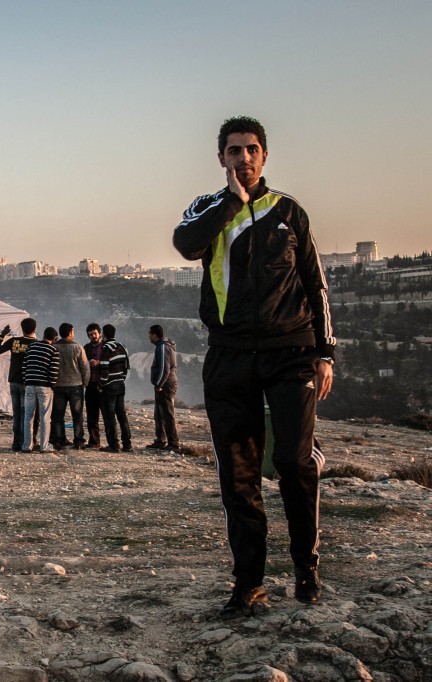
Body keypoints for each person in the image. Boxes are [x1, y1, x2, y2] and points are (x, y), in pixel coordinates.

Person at [173, 115, 335, 618]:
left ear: (264, 155)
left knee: (292, 461)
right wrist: (232, 203)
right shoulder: (207, 207)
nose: (243, 158)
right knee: (238, 476)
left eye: (251, 150)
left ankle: (306, 567)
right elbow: (186, 245)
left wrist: (325, 353)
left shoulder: (289, 212)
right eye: (233, 151)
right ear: (220, 157)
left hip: (292, 353)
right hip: (229, 353)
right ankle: (249, 584)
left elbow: (316, 284)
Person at [0, 318, 39, 451]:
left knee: (17, 413)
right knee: (27, 414)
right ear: (35, 329)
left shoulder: (14, 341)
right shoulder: (36, 344)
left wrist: (2, 335)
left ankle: (16, 443)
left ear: (21, 328)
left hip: (13, 381)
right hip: (27, 382)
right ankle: (27, 442)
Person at [50, 322, 90, 450]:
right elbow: (85, 367)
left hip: (58, 386)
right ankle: (78, 441)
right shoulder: (78, 348)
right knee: (77, 415)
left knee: (58, 415)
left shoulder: (54, 347)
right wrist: (85, 382)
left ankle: (59, 440)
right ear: (71, 332)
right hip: (75, 385)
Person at [21, 327, 59, 453]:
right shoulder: (53, 350)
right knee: (45, 417)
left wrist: (26, 381)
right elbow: (53, 372)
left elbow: (24, 366)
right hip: (44, 387)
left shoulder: (31, 347)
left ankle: (27, 445)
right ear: (54, 338)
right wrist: (52, 385)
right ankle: (44, 445)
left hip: (29, 385)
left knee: (28, 417)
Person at [98, 324, 132, 453]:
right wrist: (121, 379)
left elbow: (104, 370)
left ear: (104, 335)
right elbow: (126, 367)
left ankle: (114, 444)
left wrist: (101, 385)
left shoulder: (106, 348)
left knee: (110, 416)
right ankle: (127, 444)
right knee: (121, 414)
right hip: (120, 385)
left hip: (109, 387)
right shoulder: (122, 346)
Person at [146, 325, 180, 450]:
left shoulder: (163, 348)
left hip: (166, 385)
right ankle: (160, 440)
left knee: (166, 414)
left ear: (155, 335)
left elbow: (164, 369)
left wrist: (159, 384)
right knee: (159, 414)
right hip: (166, 383)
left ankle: (173, 443)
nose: (149, 337)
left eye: (150, 334)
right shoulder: (164, 346)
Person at [83, 323, 105, 449]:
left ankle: (112, 442)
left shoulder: (106, 347)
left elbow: (111, 363)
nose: (93, 336)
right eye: (90, 334)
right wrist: (88, 363)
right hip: (90, 385)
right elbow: (81, 363)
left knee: (107, 415)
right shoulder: (86, 348)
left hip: (103, 385)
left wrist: (99, 363)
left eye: (94, 334)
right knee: (92, 415)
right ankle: (94, 441)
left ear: (99, 333)